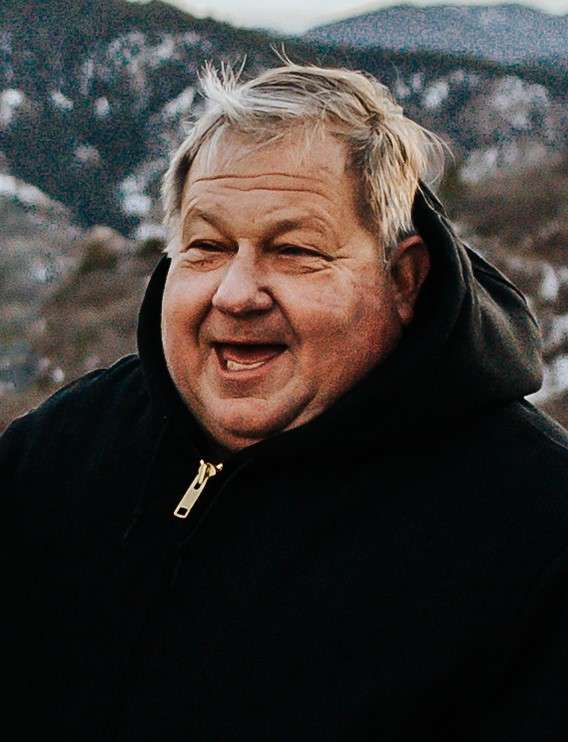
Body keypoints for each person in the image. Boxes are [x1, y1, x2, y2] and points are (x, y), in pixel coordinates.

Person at [5, 61, 568, 741]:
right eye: (207, 247)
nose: (236, 294)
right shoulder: (60, 451)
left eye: (295, 250)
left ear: (404, 279)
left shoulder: (534, 530)